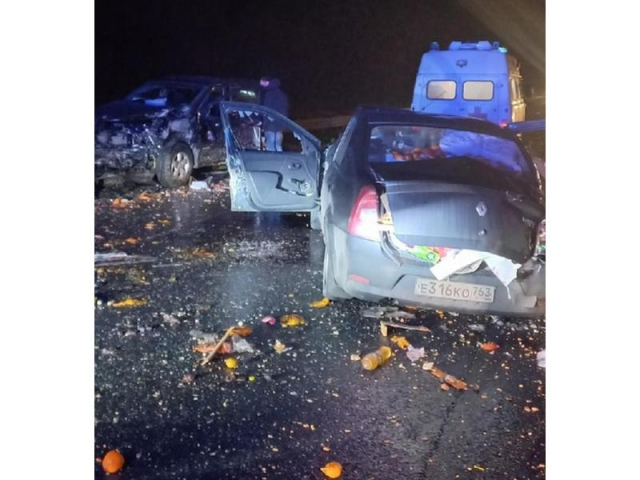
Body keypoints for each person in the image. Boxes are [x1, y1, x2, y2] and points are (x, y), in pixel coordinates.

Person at [259, 77, 289, 152]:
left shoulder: (270, 94)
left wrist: (265, 125)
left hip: (272, 126)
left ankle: (275, 159)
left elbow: (267, 111)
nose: (261, 85)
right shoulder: (280, 93)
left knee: (272, 147)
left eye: (262, 83)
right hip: (278, 125)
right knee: (276, 146)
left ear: (267, 82)